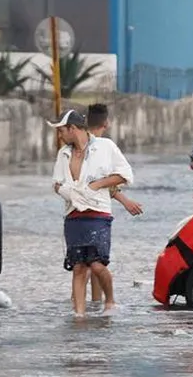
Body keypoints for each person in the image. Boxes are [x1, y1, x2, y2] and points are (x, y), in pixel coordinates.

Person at [49, 109, 134, 317]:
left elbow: (126, 175)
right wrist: (67, 192)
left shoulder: (105, 147)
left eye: (62, 131)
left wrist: (97, 185)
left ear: (73, 129)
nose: (60, 136)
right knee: (78, 267)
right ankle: (79, 315)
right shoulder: (64, 153)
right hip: (73, 215)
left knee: (97, 265)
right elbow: (56, 183)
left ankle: (110, 301)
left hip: (98, 213)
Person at [83, 102, 143, 304]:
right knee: (97, 262)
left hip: (75, 215)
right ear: (106, 123)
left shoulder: (76, 146)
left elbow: (93, 182)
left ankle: (85, 306)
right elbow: (118, 177)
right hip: (99, 214)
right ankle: (103, 304)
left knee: (81, 265)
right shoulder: (106, 147)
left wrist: (124, 200)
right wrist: (125, 201)